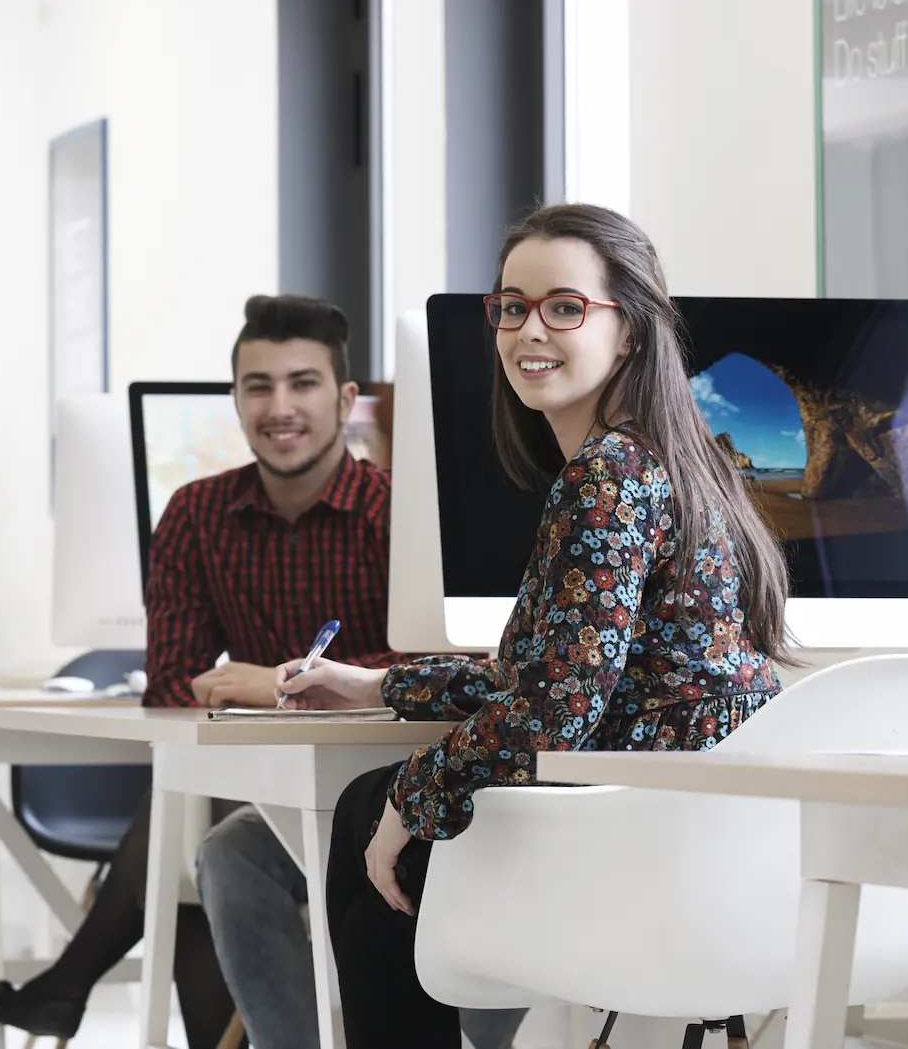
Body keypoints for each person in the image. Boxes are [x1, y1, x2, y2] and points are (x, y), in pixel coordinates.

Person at [279, 204, 791, 1048]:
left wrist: (417, 796)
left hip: (640, 843)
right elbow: (570, 672)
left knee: (374, 813)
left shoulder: (608, 474)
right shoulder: (687, 461)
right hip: (710, 838)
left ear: (629, 332)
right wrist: (377, 684)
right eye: (511, 306)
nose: (528, 330)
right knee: (381, 808)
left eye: (563, 306)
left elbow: (555, 711)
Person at [0, 295, 399, 1045]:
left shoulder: (396, 514)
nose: (280, 406)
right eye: (258, 386)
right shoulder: (196, 512)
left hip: (379, 793)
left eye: (303, 383)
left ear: (345, 399)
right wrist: (255, 694)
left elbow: (428, 666)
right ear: (235, 400)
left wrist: (278, 684)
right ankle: (76, 989)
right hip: (256, 801)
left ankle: (68, 983)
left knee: (187, 817)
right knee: (192, 820)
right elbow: (172, 680)